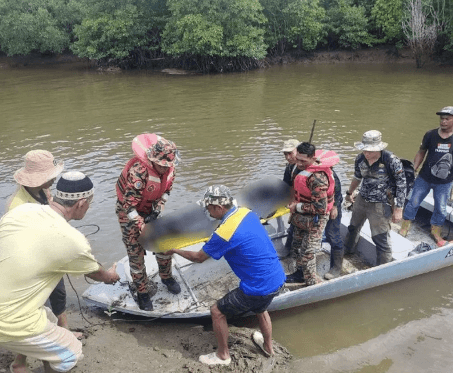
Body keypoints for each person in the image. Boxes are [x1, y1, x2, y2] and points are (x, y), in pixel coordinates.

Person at [0, 171, 120, 373]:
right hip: (1, 321)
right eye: (90, 203)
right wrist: (112, 275)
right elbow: (98, 274)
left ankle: (19, 364)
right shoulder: (72, 240)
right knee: (70, 352)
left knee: (49, 319)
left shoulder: (20, 211)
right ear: (81, 203)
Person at [167, 185, 285, 366]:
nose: (207, 211)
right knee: (261, 309)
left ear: (219, 208)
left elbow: (199, 257)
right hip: (277, 279)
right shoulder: (247, 213)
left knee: (217, 311)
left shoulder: (224, 233)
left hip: (257, 287)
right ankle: (268, 347)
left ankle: (223, 356)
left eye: (208, 208)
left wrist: (174, 250)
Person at [0, 150, 76, 337]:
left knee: (59, 291)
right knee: (38, 300)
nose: (54, 179)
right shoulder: (17, 205)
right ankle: (42, 336)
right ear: (38, 178)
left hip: (47, 250)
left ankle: (64, 329)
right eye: (50, 176)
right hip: (29, 258)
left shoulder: (44, 190)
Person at [115, 133, 181, 311]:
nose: (163, 169)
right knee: (135, 252)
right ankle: (142, 292)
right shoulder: (139, 172)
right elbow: (129, 206)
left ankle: (166, 277)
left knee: (163, 244)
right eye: (160, 165)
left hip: (151, 208)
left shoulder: (171, 169)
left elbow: (166, 192)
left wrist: (158, 210)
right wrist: (142, 227)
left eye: (166, 165)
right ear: (153, 160)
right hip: (128, 211)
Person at [345, 130, 406, 265]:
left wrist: (399, 208)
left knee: (380, 237)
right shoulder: (360, 158)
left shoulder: (391, 160)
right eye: (365, 150)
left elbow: (402, 184)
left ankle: (383, 267)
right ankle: (348, 250)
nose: (367, 153)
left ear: (379, 148)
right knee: (353, 227)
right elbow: (357, 177)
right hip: (362, 198)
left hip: (381, 203)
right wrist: (349, 193)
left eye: (370, 151)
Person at [399, 106, 453, 247]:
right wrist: (413, 169)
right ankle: (405, 227)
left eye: (447, 119)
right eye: (442, 119)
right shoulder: (430, 134)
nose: (444, 121)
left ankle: (436, 232)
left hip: (445, 182)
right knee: (413, 202)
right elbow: (421, 152)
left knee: (441, 208)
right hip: (425, 178)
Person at [287, 142, 339, 285]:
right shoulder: (299, 169)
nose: (298, 163)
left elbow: (320, 208)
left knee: (308, 252)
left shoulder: (317, 178)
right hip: (300, 218)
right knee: (296, 247)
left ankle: (311, 282)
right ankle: (299, 273)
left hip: (315, 219)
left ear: (312, 158)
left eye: (303, 161)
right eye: (297, 159)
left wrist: (297, 207)